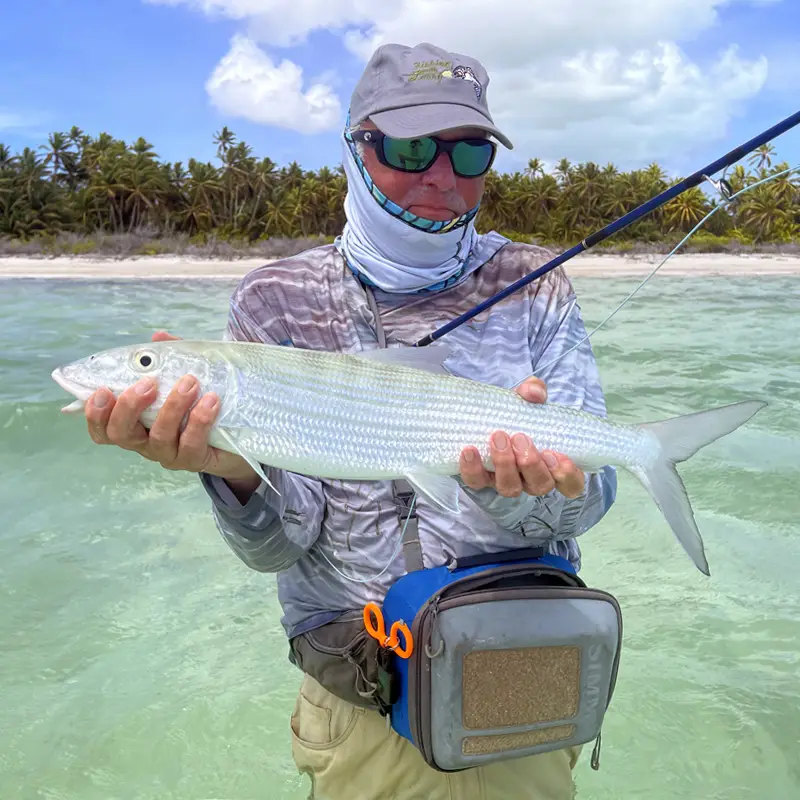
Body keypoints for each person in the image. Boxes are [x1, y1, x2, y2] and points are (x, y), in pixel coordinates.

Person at [83, 41, 618, 800]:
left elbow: (588, 505)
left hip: (522, 674)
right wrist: (230, 469)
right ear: (355, 148)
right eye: (408, 147)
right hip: (366, 695)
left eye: (469, 153)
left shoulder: (537, 287)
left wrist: (524, 493)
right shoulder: (276, 299)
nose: (441, 177)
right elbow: (280, 548)